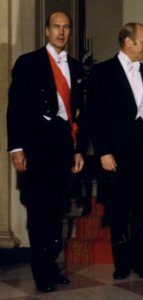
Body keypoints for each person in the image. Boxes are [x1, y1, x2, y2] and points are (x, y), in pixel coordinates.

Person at [7, 11, 86, 292]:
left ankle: (51, 266)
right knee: (39, 211)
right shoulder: (29, 63)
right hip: (36, 147)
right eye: (56, 27)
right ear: (46, 31)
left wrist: (78, 150)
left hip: (64, 147)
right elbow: (15, 108)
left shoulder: (76, 68)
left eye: (66, 27)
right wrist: (16, 147)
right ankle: (41, 272)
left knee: (56, 211)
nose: (61, 32)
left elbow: (78, 115)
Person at [87, 22, 143, 280]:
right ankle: (122, 264)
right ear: (128, 42)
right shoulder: (102, 72)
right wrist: (103, 152)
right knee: (119, 209)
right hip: (116, 155)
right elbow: (94, 116)